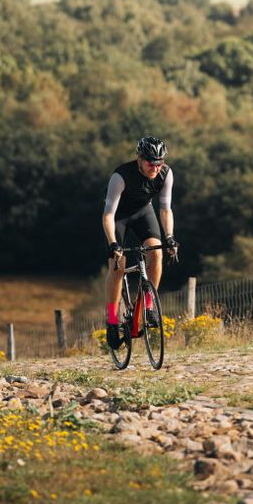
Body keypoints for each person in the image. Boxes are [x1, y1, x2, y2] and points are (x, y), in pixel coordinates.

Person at [102, 136, 178, 348]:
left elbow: (165, 209)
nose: (155, 167)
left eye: (159, 162)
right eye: (150, 162)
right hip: (119, 217)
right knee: (118, 267)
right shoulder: (121, 176)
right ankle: (112, 319)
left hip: (144, 212)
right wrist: (113, 243)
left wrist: (170, 237)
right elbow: (107, 215)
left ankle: (149, 304)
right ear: (139, 159)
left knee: (156, 252)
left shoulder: (165, 174)